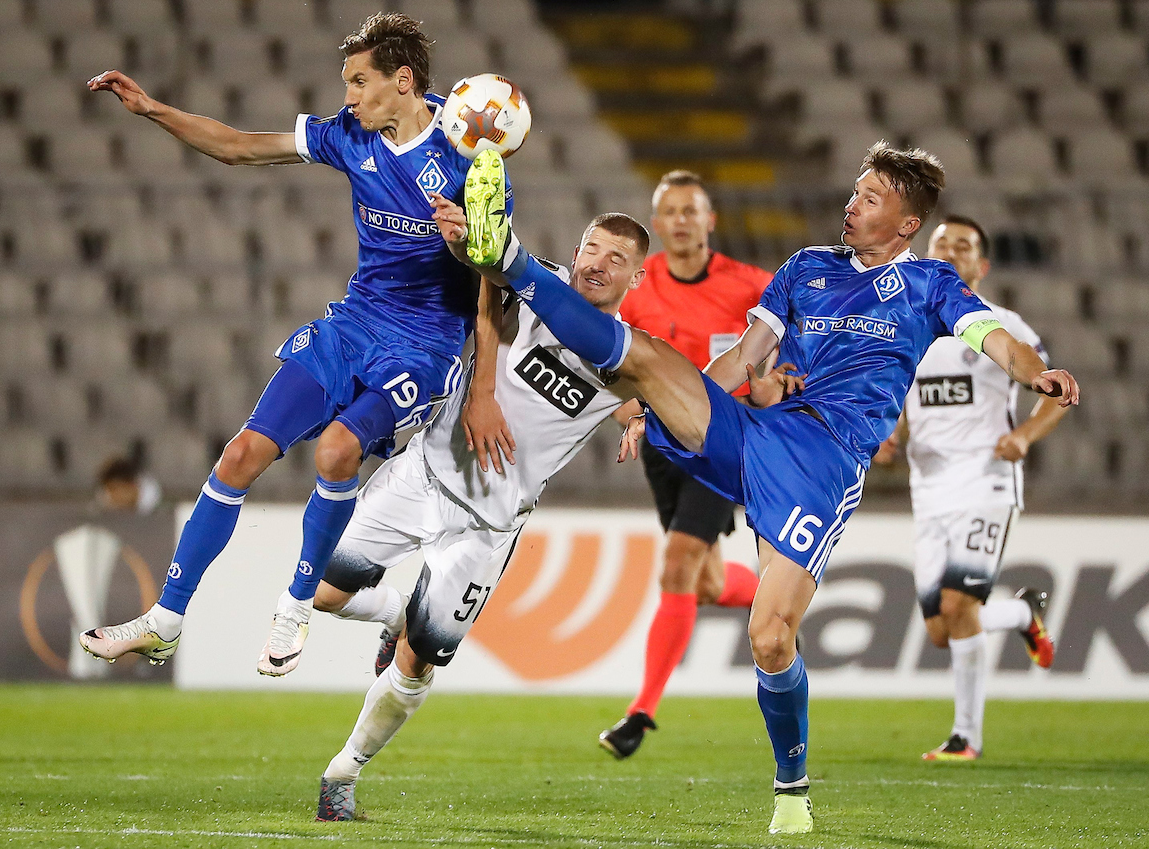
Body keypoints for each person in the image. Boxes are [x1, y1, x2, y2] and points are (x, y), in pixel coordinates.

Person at [452, 144, 1079, 835]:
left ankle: (791, 788)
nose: (852, 203)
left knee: (771, 638)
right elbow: (743, 357)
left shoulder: (931, 284)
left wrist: (1034, 377)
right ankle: (511, 261)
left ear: (906, 222)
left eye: (871, 198)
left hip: (824, 464)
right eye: (855, 191)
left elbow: (998, 341)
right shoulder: (805, 269)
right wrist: (661, 404)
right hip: (755, 429)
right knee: (650, 357)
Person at [77, 13, 510, 677]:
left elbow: (497, 278)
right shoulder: (347, 137)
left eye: (358, 83)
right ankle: (164, 621)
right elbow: (239, 147)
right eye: (345, 84)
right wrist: (151, 109)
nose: (347, 98)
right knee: (242, 452)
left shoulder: (468, 145)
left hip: (423, 350)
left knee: (338, 450)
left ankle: (297, 604)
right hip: (354, 325)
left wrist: (466, 248)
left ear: (402, 81)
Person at [311, 213, 708, 821]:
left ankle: (344, 772)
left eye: (616, 259)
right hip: (423, 476)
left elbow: (640, 397)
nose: (598, 264)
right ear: (575, 252)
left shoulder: (624, 356)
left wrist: (633, 419)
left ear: (636, 276)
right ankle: (395, 612)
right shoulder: (535, 283)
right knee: (320, 595)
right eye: (593, 250)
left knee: (417, 668)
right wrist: (463, 236)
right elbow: (486, 270)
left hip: (488, 528)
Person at [873, 215, 1066, 761]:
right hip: (929, 490)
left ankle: (966, 737)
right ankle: (1023, 615)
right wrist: (891, 438)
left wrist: (1025, 435)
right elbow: (905, 410)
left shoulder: (1001, 325)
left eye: (964, 247)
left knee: (959, 606)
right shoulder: (904, 328)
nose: (952, 252)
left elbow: (1052, 388)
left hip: (986, 483)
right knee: (941, 629)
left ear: (981, 267)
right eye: (942, 245)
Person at [599, 169, 773, 760]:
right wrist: (623, 406)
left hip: (722, 445)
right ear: (657, 224)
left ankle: (640, 713)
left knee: (676, 568)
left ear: (709, 220)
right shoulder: (637, 291)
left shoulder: (751, 286)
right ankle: (772, 589)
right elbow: (613, 365)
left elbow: (794, 339)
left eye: (689, 210)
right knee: (705, 582)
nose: (679, 220)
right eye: (669, 211)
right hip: (661, 445)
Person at [96, 456, 163, 515]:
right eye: (109, 491)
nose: (112, 496)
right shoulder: (107, 503)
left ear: (131, 484)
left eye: (114, 489)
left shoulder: (151, 503)